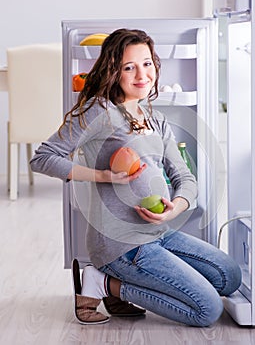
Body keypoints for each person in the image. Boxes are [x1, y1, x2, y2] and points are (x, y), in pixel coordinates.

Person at [30, 28, 241, 327]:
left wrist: (176, 207)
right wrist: (102, 175)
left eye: (147, 63)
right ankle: (103, 283)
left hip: (160, 233)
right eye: (129, 67)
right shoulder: (97, 111)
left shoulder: (156, 119)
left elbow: (184, 177)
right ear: (113, 72)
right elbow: (42, 158)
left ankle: (120, 283)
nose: (142, 74)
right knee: (207, 309)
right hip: (121, 243)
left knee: (228, 276)